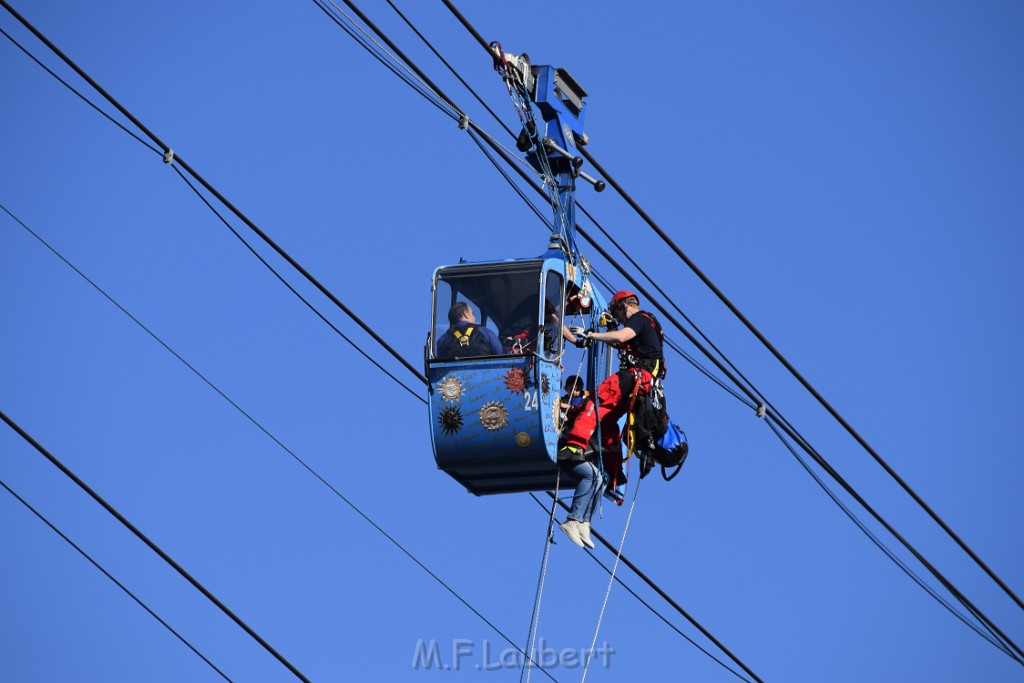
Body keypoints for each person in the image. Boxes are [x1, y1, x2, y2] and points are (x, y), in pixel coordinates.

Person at [556, 290, 665, 549]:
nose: (618, 318)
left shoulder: (639, 319)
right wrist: (603, 336)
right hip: (643, 388)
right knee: (606, 424)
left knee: (594, 405)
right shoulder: (651, 326)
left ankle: (573, 446)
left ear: (625, 306)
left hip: (632, 379)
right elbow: (622, 342)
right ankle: (583, 517)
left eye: (617, 312)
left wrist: (593, 334)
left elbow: (621, 335)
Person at [435, 302, 504, 358]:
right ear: (466, 314)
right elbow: (502, 354)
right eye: (473, 314)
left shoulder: (442, 340)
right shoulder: (485, 332)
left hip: (453, 375)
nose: (474, 318)